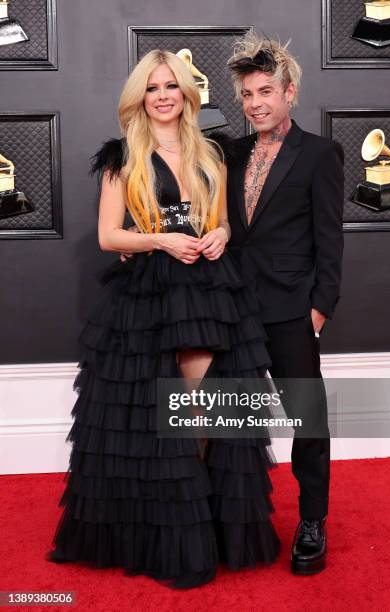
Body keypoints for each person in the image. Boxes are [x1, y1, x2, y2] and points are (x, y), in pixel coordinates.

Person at [46, 49, 281, 589]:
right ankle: (160, 532)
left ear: (186, 93)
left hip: (205, 290)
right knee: (148, 420)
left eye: (171, 85)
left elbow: (218, 220)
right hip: (147, 292)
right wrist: (159, 240)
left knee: (199, 412)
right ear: (139, 97)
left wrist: (219, 234)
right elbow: (109, 236)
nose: (163, 95)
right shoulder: (121, 155)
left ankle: (199, 524)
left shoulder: (212, 153)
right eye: (152, 87)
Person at [212, 32, 344, 575]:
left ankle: (312, 520)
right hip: (234, 308)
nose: (256, 103)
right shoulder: (229, 151)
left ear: (290, 92)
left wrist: (319, 308)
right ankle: (235, 517)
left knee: (306, 421)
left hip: (291, 310)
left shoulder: (319, 154)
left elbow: (329, 238)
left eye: (266, 90)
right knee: (227, 421)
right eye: (247, 94)